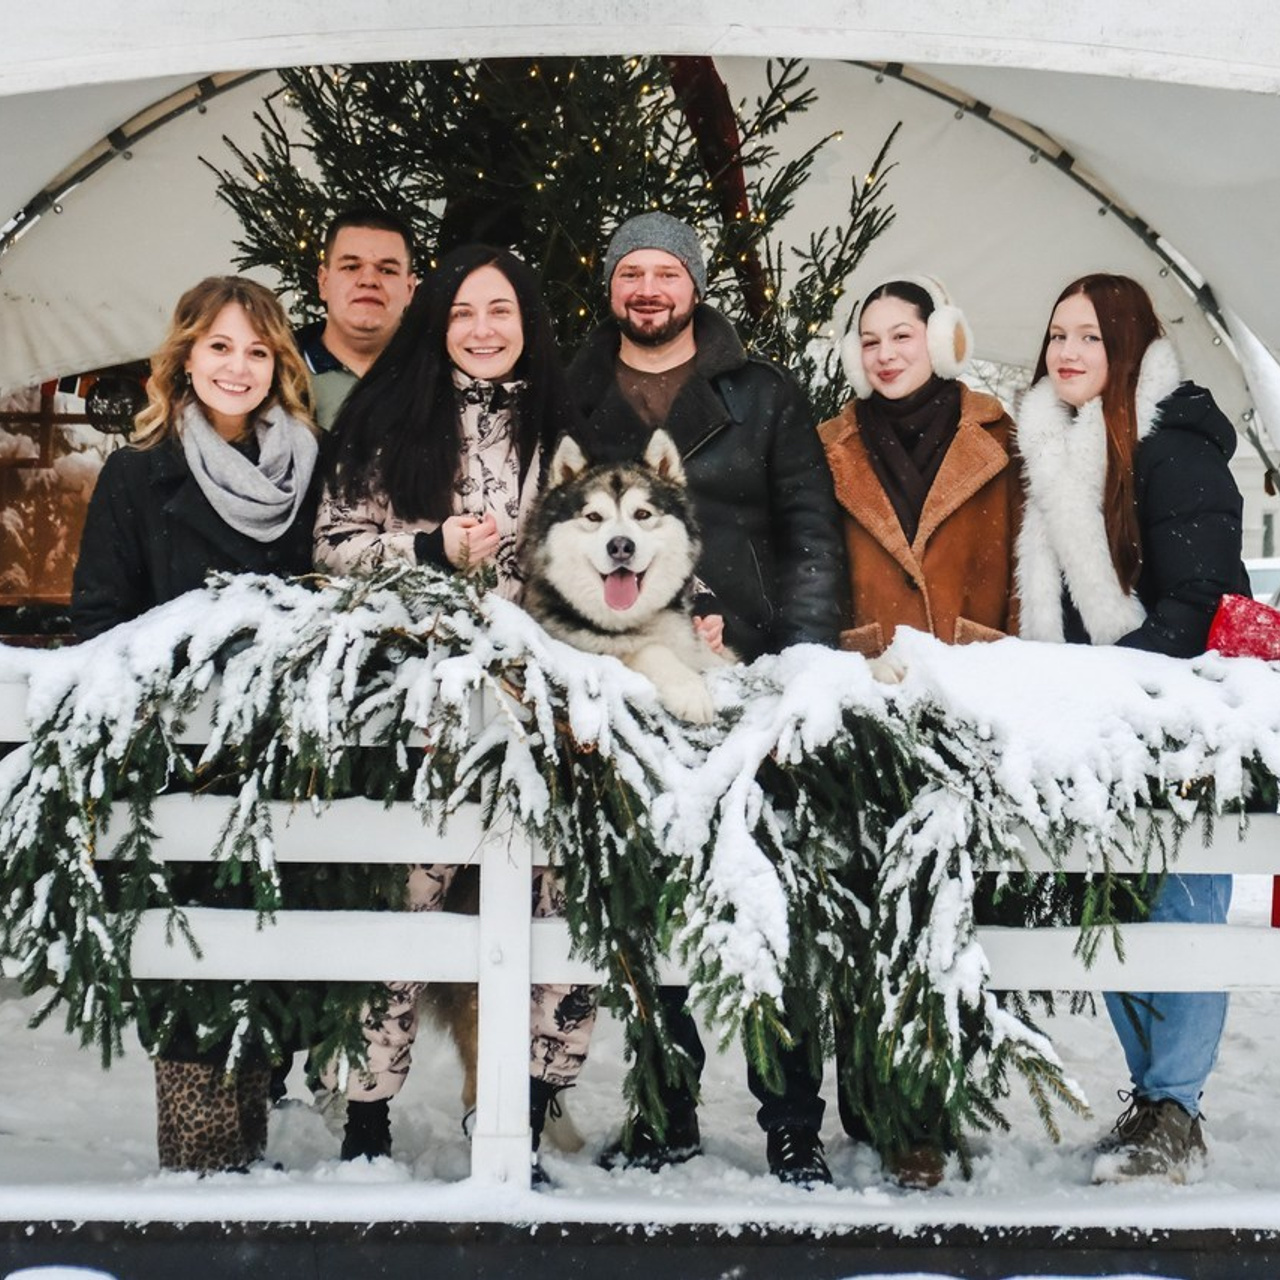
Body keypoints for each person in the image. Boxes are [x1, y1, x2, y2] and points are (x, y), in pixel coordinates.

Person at [569, 211, 847, 1187]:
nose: (647, 289)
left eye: (665, 273)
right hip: (619, 674)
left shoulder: (760, 394)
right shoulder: (572, 389)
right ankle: (665, 1106)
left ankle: (790, 1118)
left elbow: (810, 532)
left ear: (693, 284)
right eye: (629, 272)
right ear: (608, 285)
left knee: (765, 900)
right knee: (644, 911)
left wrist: (795, 657)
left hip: (749, 680)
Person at [313, 243, 589, 1179]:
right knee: (407, 911)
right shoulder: (387, 419)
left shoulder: (565, 428)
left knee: (560, 916)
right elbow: (333, 550)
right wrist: (430, 551)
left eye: (501, 311)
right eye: (465, 311)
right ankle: (366, 1115)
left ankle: (524, 1107)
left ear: (528, 324)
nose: (482, 329)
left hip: (541, 714)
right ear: (439, 321)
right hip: (424, 717)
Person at [70, 275, 320, 1172]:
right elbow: (99, 615)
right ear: (182, 357)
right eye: (219, 346)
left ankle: (245, 1168)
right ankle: (200, 1171)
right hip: (176, 767)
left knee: (268, 957)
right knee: (189, 969)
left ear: (280, 364)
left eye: (257, 350)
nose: (238, 366)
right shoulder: (137, 473)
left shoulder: (311, 466)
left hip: (285, 769)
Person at [1015, 273, 1250, 1183]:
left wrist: (1104, 684)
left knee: (1177, 910)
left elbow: (1200, 602)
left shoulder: (1174, 447)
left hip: (1178, 721)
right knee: (1111, 911)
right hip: (1098, 727)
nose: (1067, 353)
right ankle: (1153, 1099)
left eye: (1090, 338)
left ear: (1130, 349)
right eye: (1057, 335)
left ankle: (1177, 1108)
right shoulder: (1056, 445)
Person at [818, 275, 1019, 1186]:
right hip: (864, 698)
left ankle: (925, 1115)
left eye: (904, 333)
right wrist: (851, 653)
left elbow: (1026, 565)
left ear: (942, 338)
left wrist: (997, 656)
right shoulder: (829, 447)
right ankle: (869, 1099)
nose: (886, 352)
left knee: (945, 912)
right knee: (863, 906)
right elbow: (811, 567)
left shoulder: (1000, 438)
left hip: (971, 697)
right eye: (871, 338)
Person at [295, 208, 418, 430]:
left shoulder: (441, 377)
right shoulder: (275, 374)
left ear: (409, 288)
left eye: (387, 270)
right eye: (351, 267)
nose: (369, 280)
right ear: (323, 282)